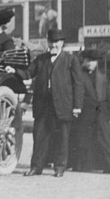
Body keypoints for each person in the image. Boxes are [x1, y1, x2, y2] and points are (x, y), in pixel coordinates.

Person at [21, 29, 84, 177]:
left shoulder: (71, 59)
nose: (53, 45)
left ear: (62, 43)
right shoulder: (41, 59)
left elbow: (78, 84)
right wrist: (14, 71)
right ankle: (36, 167)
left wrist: (77, 106)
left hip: (63, 105)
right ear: (47, 42)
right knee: (39, 136)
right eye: (51, 42)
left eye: (56, 42)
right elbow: (29, 72)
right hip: (43, 104)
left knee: (62, 137)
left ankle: (60, 167)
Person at [69, 49, 110, 173]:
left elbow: (107, 95)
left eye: (93, 61)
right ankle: (82, 166)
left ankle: (107, 166)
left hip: (102, 114)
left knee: (105, 140)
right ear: (84, 61)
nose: (91, 63)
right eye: (88, 60)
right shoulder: (78, 76)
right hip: (85, 113)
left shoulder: (102, 77)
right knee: (83, 140)